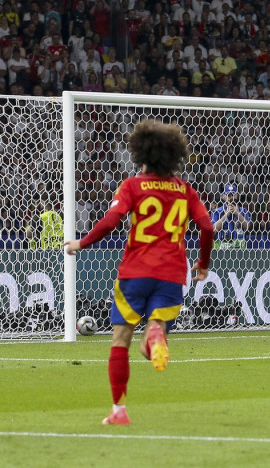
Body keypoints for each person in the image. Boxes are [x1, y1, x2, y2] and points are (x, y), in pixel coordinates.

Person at [65, 120, 214, 426]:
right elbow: (208, 227)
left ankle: (119, 410)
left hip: (135, 272)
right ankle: (154, 334)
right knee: (154, 335)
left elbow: (110, 222)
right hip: (172, 273)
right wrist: (204, 263)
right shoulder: (185, 190)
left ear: (141, 152)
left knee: (120, 339)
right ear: (175, 155)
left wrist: (81, 242)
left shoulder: (132, 186)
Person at [211, 184, 251, 249]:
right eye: (228, 195)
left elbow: (247, 227)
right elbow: (213, 229)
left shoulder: (243, 211)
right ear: (224, 196)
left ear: (237, 195)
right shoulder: (217, 211)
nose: (231, 197)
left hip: (239, 247)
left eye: (233, 195)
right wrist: (226, 215)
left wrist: (237, 213)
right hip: (221, 247)